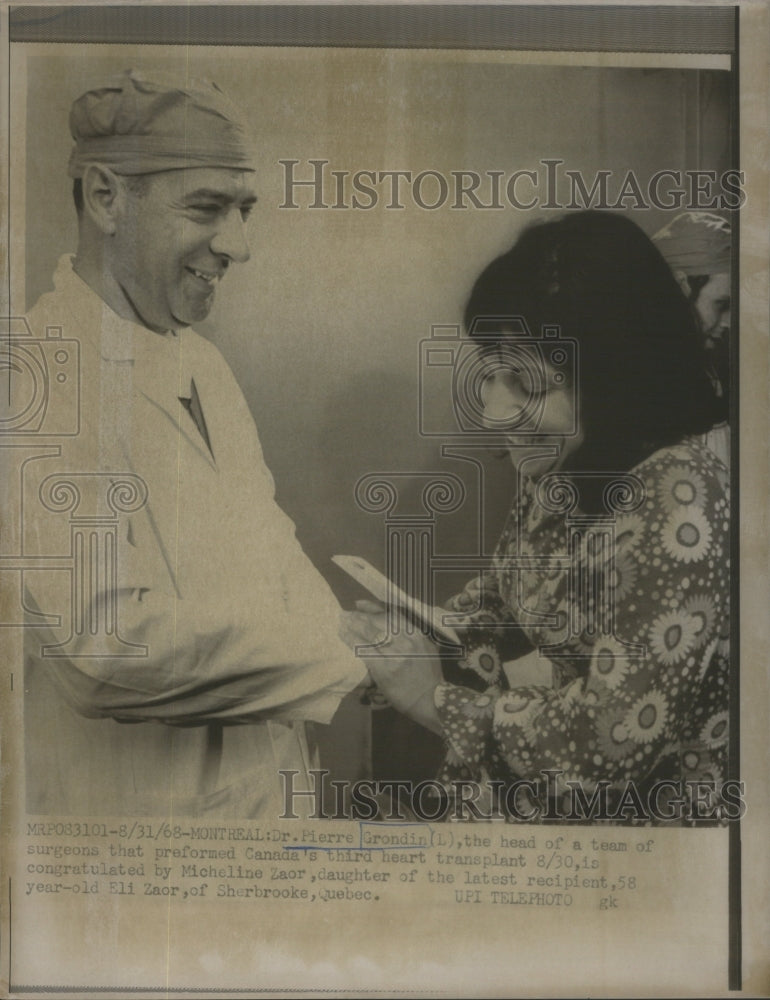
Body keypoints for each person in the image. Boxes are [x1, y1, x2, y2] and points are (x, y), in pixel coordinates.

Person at [21, 69, 365, 818]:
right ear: (106, 197)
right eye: (207, 208)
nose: (238, 244)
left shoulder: (200, 362)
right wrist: (348, 662)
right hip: (129, 832)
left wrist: (363, 641)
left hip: (263, 800)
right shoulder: (34, 377)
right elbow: (103, 650)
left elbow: (271, 546)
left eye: (244, 210)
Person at [355, 211, 730, 821]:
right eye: (491, 375)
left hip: (644, 835)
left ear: (616, 380)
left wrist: (430, 698)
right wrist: (422, 632)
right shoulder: (563, 463)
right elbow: (513, 595)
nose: (494, 413)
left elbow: (607, 743)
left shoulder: (681, 499)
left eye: (529, 387)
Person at [652, 211, 732, 468]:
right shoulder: (644, 371)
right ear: (682, 286)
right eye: (721, 304)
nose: (729, 322)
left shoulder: (711, 363)